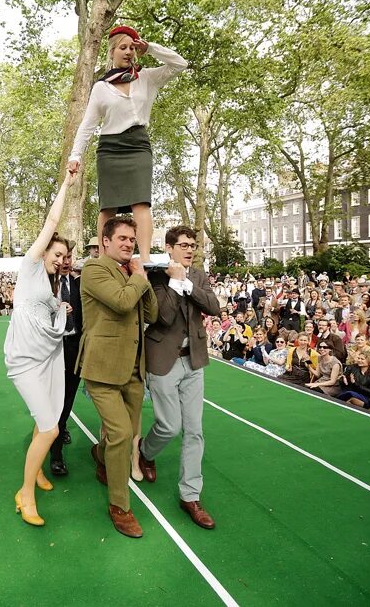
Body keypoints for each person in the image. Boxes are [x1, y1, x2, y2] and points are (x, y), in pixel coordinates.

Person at [67, 25, 187, 260]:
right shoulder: (101, 88)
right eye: (123, 47)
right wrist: (75, 155)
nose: (129, 51)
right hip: (110, 149)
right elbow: (88, 125)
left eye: (132, 47)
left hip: (139, 146)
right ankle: (103, 258)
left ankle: (144, 259)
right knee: (107, 207)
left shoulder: (147, 78)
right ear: (112, 52)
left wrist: (150, 48)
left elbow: (180, 64)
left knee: (141, 203)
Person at [4, 171, 78, 526]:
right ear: (45, 249)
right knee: (50, 428)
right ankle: (25, 493)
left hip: (50, 358)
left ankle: (35, 475)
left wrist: (59, 307)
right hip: (25, 361)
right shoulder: (30, 266)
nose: (61, 259)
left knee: (44, 420)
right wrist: (66, 181)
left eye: (64, 256)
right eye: (58, 252)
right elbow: (52, 220)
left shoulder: (49, 285)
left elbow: (50, 306)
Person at [78, 215, 158, 538]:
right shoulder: (94, 269)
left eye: (131, 239)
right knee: (123, 435)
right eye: (122, 238)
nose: (128, 244)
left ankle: (100, 454)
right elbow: (124, 302)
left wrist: (140, 278)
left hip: (134, 370)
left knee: (122, 436)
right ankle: (119, 507)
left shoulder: (131, 272)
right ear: (106, 241)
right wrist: (138, 276)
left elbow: (151, 313)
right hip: (102, 369)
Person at [139, 226, 220, 529]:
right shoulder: (156, 277)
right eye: (184, 245)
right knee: (169, 426)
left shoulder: (198, 276)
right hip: (163, 361)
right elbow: (163, 316)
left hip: (194, 361)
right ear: (169, 248)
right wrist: (175, 281)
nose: (189, 250)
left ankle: (190, 496)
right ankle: (145, 453)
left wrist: (187, 283)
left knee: (195, 431)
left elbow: (213, 306)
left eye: (193, 245)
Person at [50, 243, 83, 476]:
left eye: (69, 256)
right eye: (61, 256)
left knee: (67, 400)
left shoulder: (80, 285)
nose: (66, 261)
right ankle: (55, 453)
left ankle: (59, 433)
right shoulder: (44, 286)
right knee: (52, 401)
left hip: (74, 348)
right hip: (50, 349)